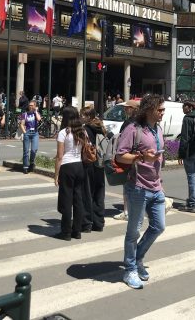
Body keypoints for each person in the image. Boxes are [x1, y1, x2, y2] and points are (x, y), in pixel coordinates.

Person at [116, 94, 166, 289]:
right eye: (159, 110)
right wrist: (140, 157)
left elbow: (157, 158)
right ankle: (130, 269)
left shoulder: (158, 129)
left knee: (159, 226)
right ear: (149, 110)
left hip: (156, 187)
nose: (162, 113)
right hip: (138, 187)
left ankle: (137, 258)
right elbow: (121, 156)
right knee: (133, 231)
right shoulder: (133, 129)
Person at [53, 106, 88, 241]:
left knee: (66, 200)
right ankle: (77, 231)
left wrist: (56, 175)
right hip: (79, 165)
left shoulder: (64, 133)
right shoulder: (82, 131)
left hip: (67, 166)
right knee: (78, 199)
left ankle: (66, 232)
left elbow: (59, 156)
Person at [113, 99, 140, 221]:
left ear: (133, 109)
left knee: (127, 185)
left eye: (127, 107)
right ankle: (135, 210)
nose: (125, 109)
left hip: (128, 157)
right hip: (139, 158)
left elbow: (121, 139)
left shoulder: (128, 123)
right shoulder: (142, 122)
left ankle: (126, 211)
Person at [81, 106, 107, 232]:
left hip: (90, 162)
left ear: (89, 117)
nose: (81, 117)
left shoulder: (85, 129)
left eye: (83, 115)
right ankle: (99, 222)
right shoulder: (100, 127)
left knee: (88, 192)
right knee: (99, 192)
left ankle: (87, 222)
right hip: (100, 163)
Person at [178, 100, 195, 212]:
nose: (183, 109)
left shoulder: (187, 119)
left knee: (191, 177)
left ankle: (192, 204)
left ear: (189, 107)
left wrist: (181, 154)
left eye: (184, 107)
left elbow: (184, 138)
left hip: (190, 152)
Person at [20, 100, 40, 174]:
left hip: (35, 133)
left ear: (35, 106)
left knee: (34, 150)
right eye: (30, 105)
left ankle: (31, 162)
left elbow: (39, 119)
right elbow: (22, 124)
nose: (30, 106)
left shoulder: (36, 114)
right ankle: (25, 167)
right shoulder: (25, 114)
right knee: (26, 151)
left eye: (32, 105)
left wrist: (36, 111)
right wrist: (24, 132)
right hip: (27, 132)